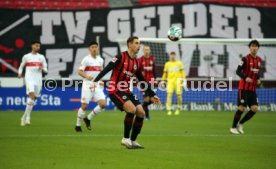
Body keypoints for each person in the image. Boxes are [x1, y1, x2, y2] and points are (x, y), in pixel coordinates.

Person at [93, 36, 160, 149]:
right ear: (129, 45)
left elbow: (142, 81)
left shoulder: (137, 63)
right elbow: (107, 68)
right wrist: (95, 81)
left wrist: (153, 94)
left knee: (141, 113)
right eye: (136, 43)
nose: (139, 46)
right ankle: (125, 139)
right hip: (115, 89)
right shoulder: (120, 57)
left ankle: (133, 141)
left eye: (139, 43)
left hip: (126, 91)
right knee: (132, 109)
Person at [230, 40, 262, 134]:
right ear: (250, 47)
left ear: (258, 48)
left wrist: (259, 79)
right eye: (252, 46)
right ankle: (233, 128)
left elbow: (256, 73)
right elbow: (238, 71)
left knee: (255, 108)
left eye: (256, 46)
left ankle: (241, 124)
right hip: (243, 88)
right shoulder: (245, 59)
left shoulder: (259, 60)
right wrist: (245, 78)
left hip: (252, 89)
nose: (254, 48)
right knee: (242, 108)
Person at [75, 41, 106, 132]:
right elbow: (80, 71)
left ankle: (88, 118)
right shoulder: (86, 59)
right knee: (84, 106)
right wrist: (87, 76)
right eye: (92, 47)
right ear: (89, 49)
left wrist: (101, 80)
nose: (94, 49)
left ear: (98, 48)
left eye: (96, 47)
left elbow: (101, 72)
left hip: (97, 85)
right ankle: (77, 125)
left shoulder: (100, 60)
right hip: (87, 85)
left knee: (103, 104)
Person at [18, 41, 48, 126]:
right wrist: (20, 73)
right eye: (36, 46)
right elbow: (21, 66)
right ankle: (28, 118)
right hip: (29, 78)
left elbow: (46, 69)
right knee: (31, 95)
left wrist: (42, 68)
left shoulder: (41, 57)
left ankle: (24, 116)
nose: (38, 47)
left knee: (34, 98)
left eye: (39, 46)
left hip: (38, 79)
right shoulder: (26, 56)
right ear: (32, 46)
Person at [138, 45, 156, 120]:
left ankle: (139, 108)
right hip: (143, 83)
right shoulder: (140, 60)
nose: (146, 51)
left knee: (153, 100)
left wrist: (155, 79)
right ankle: (147, 116)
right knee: (146, 100)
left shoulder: (153, 59)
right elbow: (137, 72)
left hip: (151, 82)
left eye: (147, 50)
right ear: (143, 51)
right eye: (145, 50)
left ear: (150, 50)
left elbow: (154, 70)